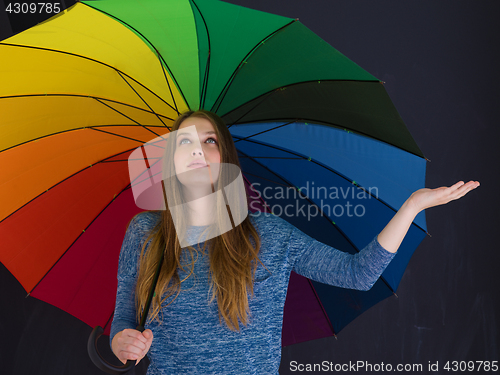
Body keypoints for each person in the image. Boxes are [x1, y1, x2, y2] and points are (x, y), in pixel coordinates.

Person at [110, 110, 479, 374]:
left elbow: (357, 274)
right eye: (184, 142)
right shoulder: (146, 232)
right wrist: (121, 342)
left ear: (225, 159)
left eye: (209, 141)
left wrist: (412, 205)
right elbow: (124, 319)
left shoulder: (268, 234)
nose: (196, 151)